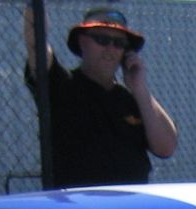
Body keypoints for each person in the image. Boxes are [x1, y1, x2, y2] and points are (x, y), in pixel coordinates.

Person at [23, 6, 178, 188]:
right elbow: (35, 43)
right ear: (82, 42)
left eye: (119, 43)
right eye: (102, 40)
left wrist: (139, 88)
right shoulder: (61, 84)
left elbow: (166, 148)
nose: (110, 49)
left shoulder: (130, 99)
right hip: (78, 207)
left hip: (131, 208)